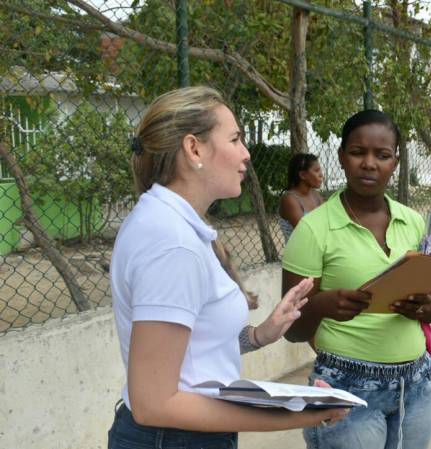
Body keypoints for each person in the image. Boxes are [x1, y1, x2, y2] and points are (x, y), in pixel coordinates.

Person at [108, 86, 346, 448]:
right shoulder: (172, 243)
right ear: (194, 149)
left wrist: (260, 334)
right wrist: (300, 412)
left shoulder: (173, 225)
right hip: (174, 439)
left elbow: (194, 349)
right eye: (235, 139)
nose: (246, 153)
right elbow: (154, 404)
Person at [281, 109, 431, 449]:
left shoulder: (413, 221)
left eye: (382, 155)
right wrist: (321, 305)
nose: (369, 164)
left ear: (395, 162)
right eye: (358, 152)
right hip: (346, 387)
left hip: (416, 384)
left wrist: (425, 306)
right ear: (342, 157)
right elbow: (292, 329)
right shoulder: (313, 229)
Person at [278, 153, 324, 241]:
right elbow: (306, 233)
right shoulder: (289, 199)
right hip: (301, 249)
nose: (321, 174)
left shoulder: (315, 195)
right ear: (302, 175)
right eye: (316, 171)